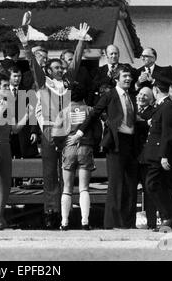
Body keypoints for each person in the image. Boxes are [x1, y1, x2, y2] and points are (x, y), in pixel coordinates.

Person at [16, 20, 90, 229]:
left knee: (67, 171)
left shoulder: (68, 83)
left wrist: (81, 41)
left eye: (62, 67)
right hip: (49, 129)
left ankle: (66, 214)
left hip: (67, 130)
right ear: (48, 70)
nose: (61, 69)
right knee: (49, 172)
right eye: (56, 67)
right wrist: (25, 44)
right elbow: (32, 62)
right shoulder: (42, 82)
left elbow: (75, 62)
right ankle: (51, 212)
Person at [79, 65, 139, 229]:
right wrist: (79, 132)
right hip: (116, 143)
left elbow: (133, 118)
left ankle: (128, 223)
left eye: (129, 76)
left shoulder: (132, 96)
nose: (128, 79)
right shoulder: (110, 95)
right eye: (124, 76)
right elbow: (94, 113)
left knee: (131, 184)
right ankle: (111, 223)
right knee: (116, 184)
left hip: (131, 143)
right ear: (116, 78)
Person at [0, 73, 32, 231]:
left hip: (5, 144)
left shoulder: (8, 104)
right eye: (4, 86)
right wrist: (0, 109)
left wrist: (27, 116)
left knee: (5, 184)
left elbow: (15, 129)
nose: (7, 89)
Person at [52, 82, 101, 231]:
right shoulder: (90, 110)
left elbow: (55, 133)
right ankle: (85, 222)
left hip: (68, 148)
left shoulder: (64, 111)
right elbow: (98, 130)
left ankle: (64, 223)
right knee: (84, 188)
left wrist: (61, 145)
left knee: (67, 188)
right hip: (85, 148)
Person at [143, 78, 172, 231]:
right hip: (156, 153)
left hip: (159, 155)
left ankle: (167, 217)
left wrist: (164, 155)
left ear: (156, 90)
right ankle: (171, 217)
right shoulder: (163, 106)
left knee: (151, 185)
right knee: (162, 186)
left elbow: (167, 133)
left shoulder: (167, 106)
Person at [136, 87, 157, 229]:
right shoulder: (131, 109)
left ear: (151, 99)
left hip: (146, 158)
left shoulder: (154, 112)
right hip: (132, 157)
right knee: (130, 190)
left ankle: (151, 223)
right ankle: (128, 222)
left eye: (145, 95)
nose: (142, 97)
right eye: (140, 94)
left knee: (149, 190)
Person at [9, 65, 39, 159]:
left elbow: (33, 112)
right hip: (8, 132)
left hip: (24, 132)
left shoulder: (28, 91)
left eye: (19, 76)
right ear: (9, 76)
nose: (17, 78)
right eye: (14, 76)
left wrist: (34, 131)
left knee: (26, 163)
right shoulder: (2, 91)